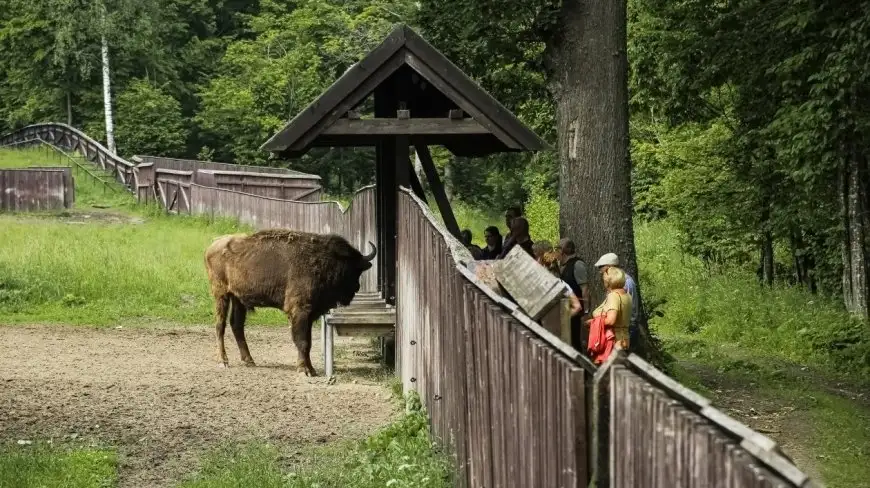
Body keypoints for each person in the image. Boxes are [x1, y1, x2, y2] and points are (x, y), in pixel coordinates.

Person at [594, 252, 641, 348]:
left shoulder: (625, 282)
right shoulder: (620, 282)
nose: (600, 271)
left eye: (601, 267)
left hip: (625, 329)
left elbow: (622, 309)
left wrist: (596, 322)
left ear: (609, 267)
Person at [587, 266, 633, 363]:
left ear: (607, 282)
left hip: (613, 341)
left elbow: (611, 320)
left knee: (609, 373)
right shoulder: (627, 295)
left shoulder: (613, 296)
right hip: (624, 338)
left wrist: (593, 322)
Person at [559, 238, 589, 350]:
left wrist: (585, 312)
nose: (557, 250)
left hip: (577, 311)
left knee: (576, 342)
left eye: (559, 247)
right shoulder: (562, 265)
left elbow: (585, 289)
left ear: (566, 249)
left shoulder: (578, 264)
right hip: (567, 309)